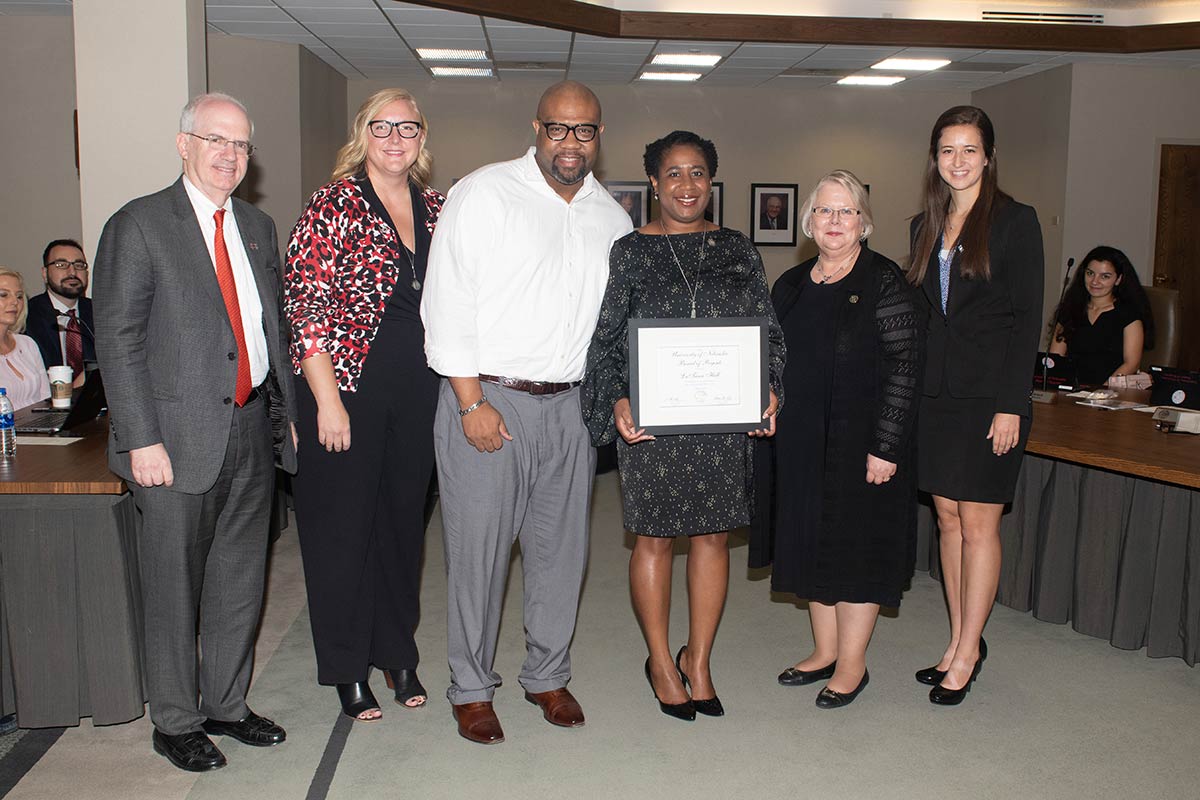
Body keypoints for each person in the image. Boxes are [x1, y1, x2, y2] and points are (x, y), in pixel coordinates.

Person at [421, 81, 632, 745]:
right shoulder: (484, 193)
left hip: (569, 407)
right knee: (479, 555)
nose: (571, 143)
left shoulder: (611, 217)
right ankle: (472, 690)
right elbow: (446, 301)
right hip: (489, 400)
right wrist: (469, 401)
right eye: (558, 129)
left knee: (560, 553)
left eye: (585, 131)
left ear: (599, 135)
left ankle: (546, 674)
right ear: (536, 128)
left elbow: (617, 324)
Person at [93, 92, 298, 771]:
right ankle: (176, 720)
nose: (230, 155)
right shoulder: (140, 224)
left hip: (249, 431)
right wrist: (140, 437)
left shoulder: (259, 227)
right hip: (172, 442)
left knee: (240, 580)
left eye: (241, 144)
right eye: (215, 140)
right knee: (173, 587)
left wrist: (287, 420)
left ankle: (227, 705)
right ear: (184, 145)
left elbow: (268, 333)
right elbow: (117, 339)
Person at [582, 130, 785, 721]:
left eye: (697, 173)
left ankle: (698, 659)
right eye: (673, 173)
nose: (686, 185)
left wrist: (770, 388)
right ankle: (660, 661)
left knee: (713, 538)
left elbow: (767, 330)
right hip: (654, 425)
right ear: (653, 182)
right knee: (653, 540)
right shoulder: (630, 252)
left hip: (721, 424)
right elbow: (608, 339)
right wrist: (617, 399)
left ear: (711, 182)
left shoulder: (740, 249)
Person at [284, 88, 445, 722]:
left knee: (403, 529)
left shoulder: (436, 208)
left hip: (419, 390)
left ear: (422, 136)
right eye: (382, 126)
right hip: (345, 388)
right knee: (342, 533)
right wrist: (325, 401)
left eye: (408, 127)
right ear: (363, 132)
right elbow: (306, 308)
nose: (395, 137)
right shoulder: (332, 204)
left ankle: (397, 650)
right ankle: (347, 666)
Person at [763, 171, 920, 709]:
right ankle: (824, 650)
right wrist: (766, 397)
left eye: (846, 211)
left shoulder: (884, 281)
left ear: (864, 222)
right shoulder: (791, 284)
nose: (834, 222)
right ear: (809, 221)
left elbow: (906, 367)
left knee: (855, 551)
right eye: (825, 211)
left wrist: (887, 445)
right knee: (814, 542)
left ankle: (852, 665)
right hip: (804, 441)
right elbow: (773, 360)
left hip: (863, 444)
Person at [907, 105, 1043, 706]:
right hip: (935, 398)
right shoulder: (923, 226)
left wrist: (1012, 404)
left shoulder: (1016, 221)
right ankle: (961, 639)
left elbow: (1026, 320)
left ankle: (968, 650)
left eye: (969, 149)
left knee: (980, 524)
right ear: (934, 158)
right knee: (947, 519)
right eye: (946, 150)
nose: (957, 161)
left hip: (991, 401)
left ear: (988, 155)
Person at [1048, 245, 1154, 385]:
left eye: (1105, 276)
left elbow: (1131, 364)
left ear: (1118, 279)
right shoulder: (1070, 309)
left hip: (1112, 393)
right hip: (1071, 390)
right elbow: (1055, 359)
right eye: (1090, 273)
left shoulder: (1129, 315)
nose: (1095, 282)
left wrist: (1100, 392)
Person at [25, 239, 95, 387]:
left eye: (79, 265)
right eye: (61, 265)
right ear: (45, 273)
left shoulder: (100, 313)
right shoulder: (27, 315)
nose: (72, 272)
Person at [0, 267, 50, 410]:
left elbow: (45, 399)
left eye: (19, 296)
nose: (15, 302)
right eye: (4, 295)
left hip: (37, 427)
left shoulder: (27, 344)